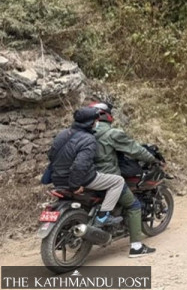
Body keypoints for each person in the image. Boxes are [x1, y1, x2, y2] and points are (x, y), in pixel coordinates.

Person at [90, 101, 161, 257]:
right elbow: (135, 150)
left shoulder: (84, 133)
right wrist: (152, 159)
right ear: (107, 116)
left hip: (85, 177)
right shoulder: (112, 134)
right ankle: (136, 247)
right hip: (107, 177)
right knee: (134, 205)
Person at [47, 107, 124, 228]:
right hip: (81, 179)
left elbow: (51, 155)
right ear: (90, 123)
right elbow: (80, 165)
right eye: (95, 120)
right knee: (118, 181)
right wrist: (75, 185)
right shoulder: (89, 139)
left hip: (58, 178)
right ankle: (103, 216)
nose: (97, 123)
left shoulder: (62, 134)